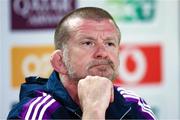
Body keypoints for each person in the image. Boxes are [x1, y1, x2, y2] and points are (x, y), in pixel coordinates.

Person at [8, 7, 156, 119]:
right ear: (59, 62)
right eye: (88, 43)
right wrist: (94, 110)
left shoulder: (133, 104)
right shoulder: (34, 112)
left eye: (110, 43)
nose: (102, 52)